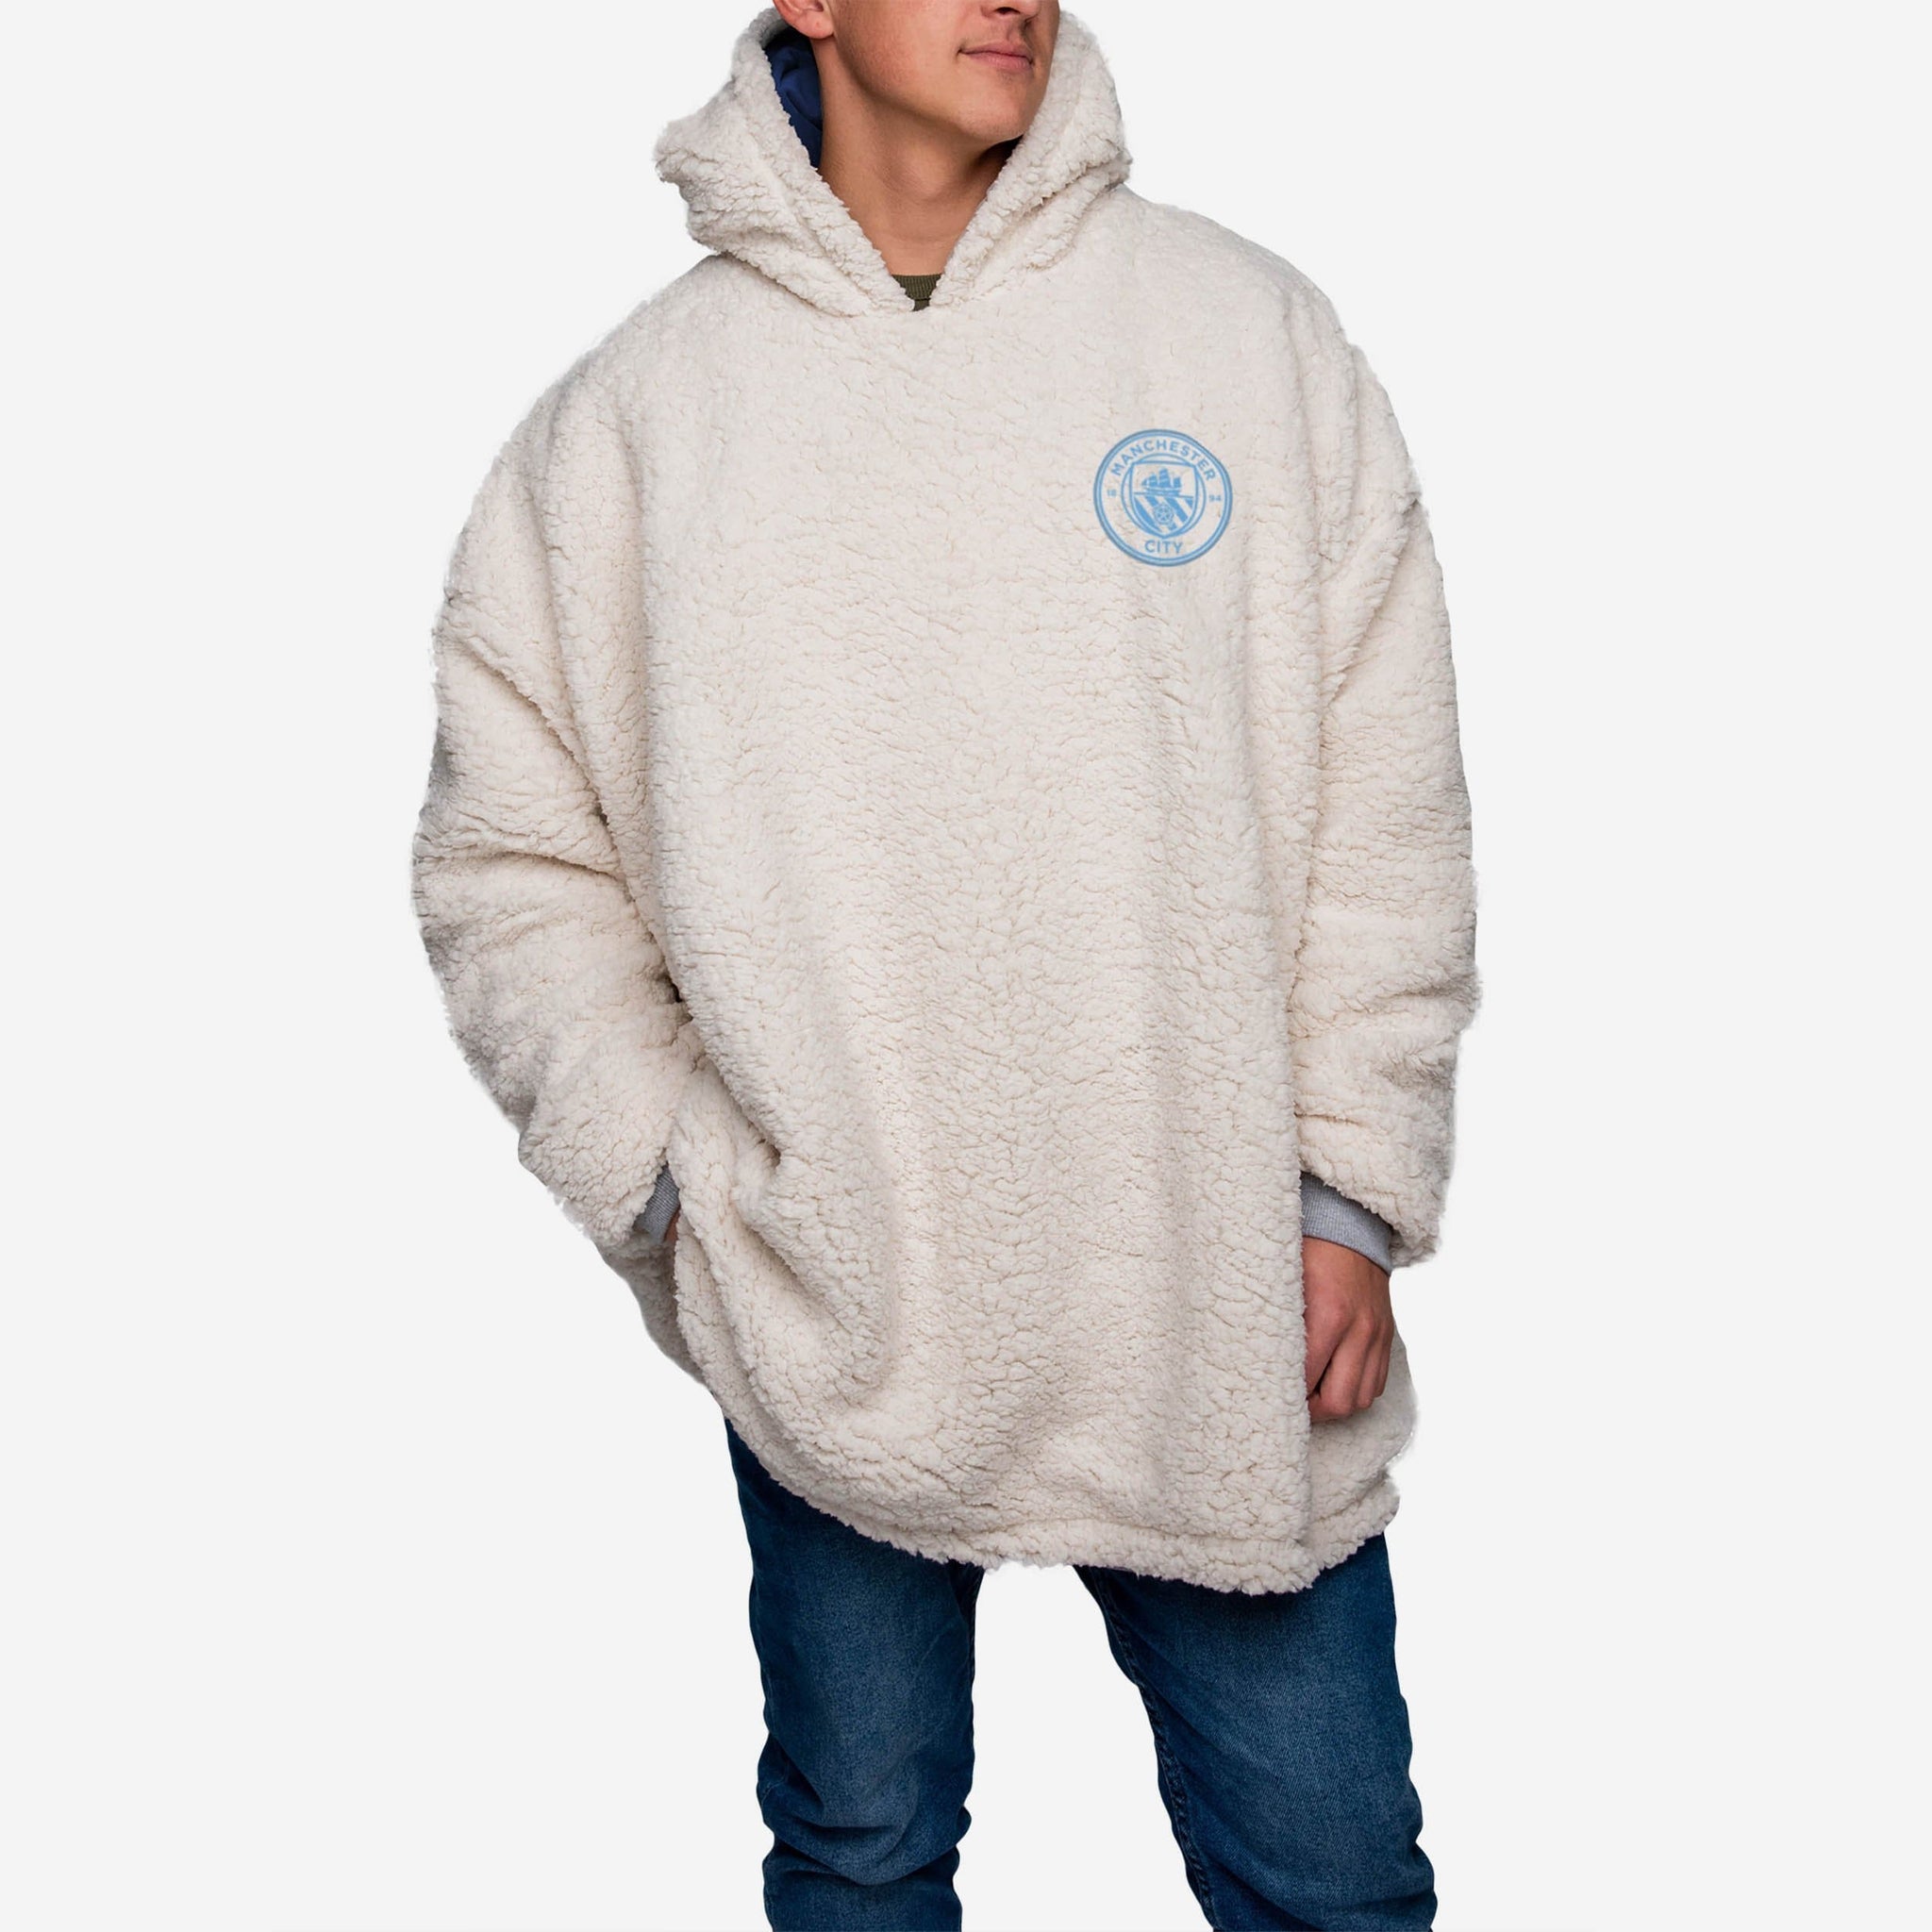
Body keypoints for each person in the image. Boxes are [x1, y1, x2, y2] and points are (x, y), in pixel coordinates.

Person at [411, 3, 1479, 1926]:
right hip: (839, 1297)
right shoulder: (641, 423)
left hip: (1214, 1288)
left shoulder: (1241, 341)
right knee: (863, 1855)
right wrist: (671, 1181)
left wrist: (1348, 1188)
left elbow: (1383, 799)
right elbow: (513, 859)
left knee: (1334, 1878)